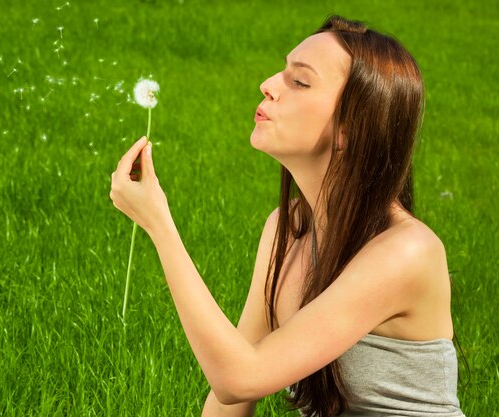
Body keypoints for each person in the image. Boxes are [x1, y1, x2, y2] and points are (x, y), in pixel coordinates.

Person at [110, 15, 465, 417]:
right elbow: (234, 394)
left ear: (351, 127)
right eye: (282, 72)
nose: (267, 84)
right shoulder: (288, 228)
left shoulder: (407, 251)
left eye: (299, 81)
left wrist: (159, 224)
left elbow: (238, 377)